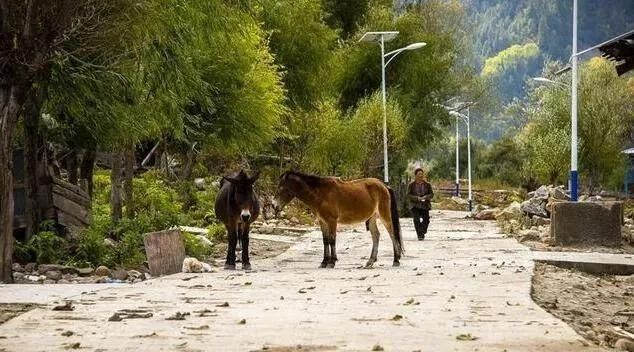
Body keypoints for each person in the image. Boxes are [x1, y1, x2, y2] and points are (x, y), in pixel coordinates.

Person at [408, 168, 434, 240]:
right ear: (415, 175)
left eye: (422, 174)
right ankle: (420, 235)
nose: (421, 175)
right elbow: (408, 195)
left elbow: (431, 194)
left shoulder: (427, 184)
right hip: (415, 205)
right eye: (419, 174)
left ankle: (422, 230)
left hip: (425, 205)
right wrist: (417, 198)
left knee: (426, 219)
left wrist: (426, 197)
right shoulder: (411, 185)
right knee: (416, 220)